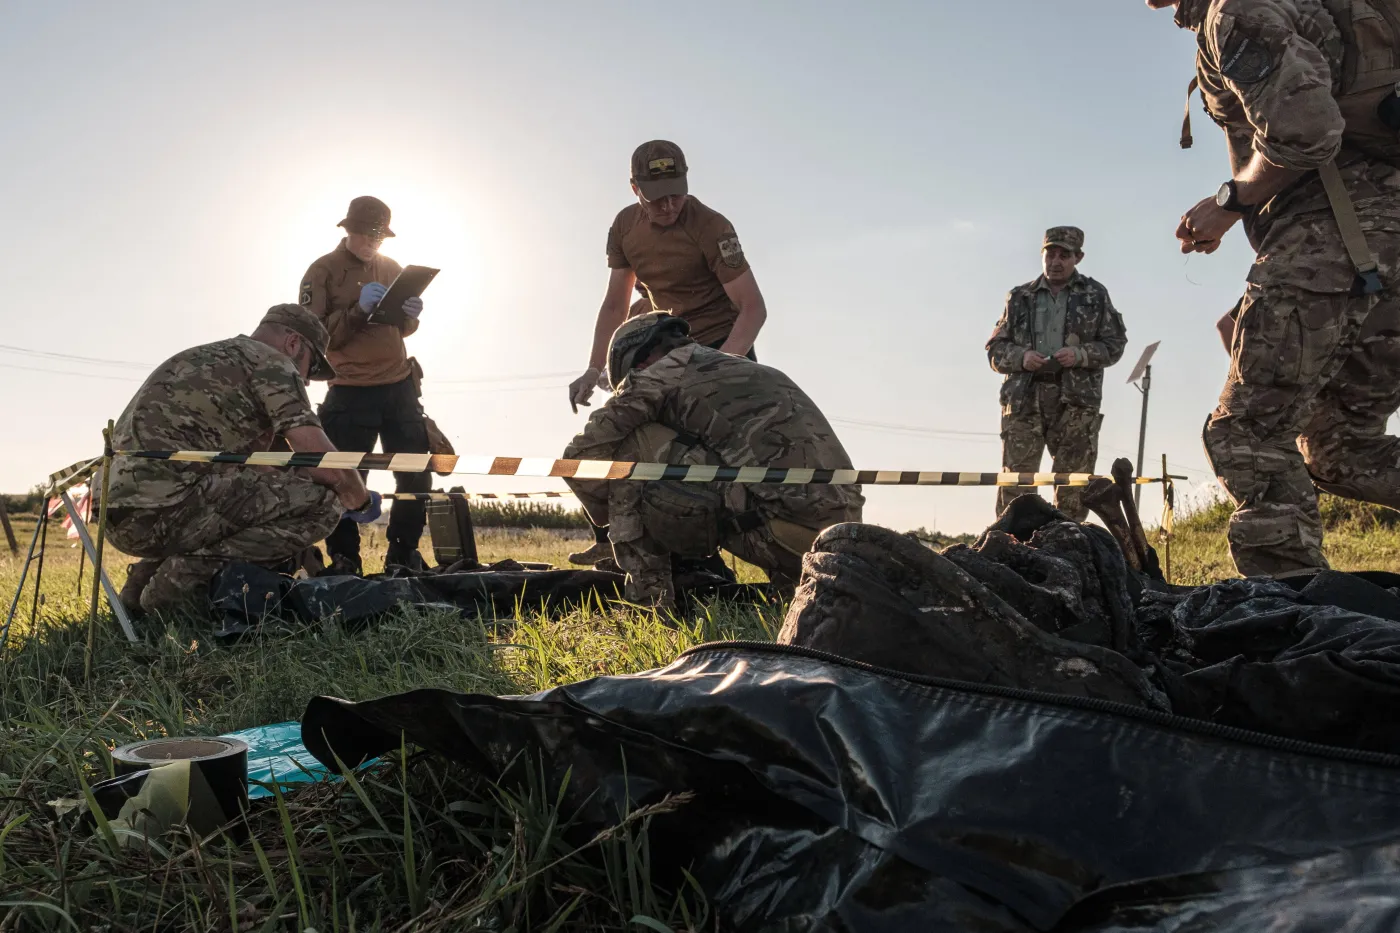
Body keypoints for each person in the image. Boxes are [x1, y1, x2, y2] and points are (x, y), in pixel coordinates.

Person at [1150, 0, 1400, 576]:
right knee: (1343, 448)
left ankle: (1290, 613)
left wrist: (1230, 202)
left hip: (1337, 232)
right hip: (1372, 243)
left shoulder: (1232, 10)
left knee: (1248, 431)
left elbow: (1308, 134)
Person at [563, 312, 863, 608]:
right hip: (842, 544)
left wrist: (610, 517)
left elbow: (579, 457)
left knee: (637, 441)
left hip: (784, 535)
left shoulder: (662, 371)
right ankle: (789, 587)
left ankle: (648, 599)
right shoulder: (735, 366)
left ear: (638, 363)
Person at [566, 140, 771, 566]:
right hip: (668, 349)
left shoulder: (712, 226)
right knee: (621, 436)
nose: (668, 205)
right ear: (634, 188)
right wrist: (592, 366)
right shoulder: (624, 227)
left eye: (676, 192)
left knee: (733, 459)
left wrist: (722, 366)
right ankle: (610, 538)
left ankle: (753, 553)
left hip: (722, 345)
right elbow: (615, 303)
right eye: (656, 197)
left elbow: (752, 308)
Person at [106, 304, 382, 615]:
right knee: (324, 506)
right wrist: (357, 500)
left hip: (121, 514)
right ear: (294, 344)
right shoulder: (273, 362)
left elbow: (261, 471)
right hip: (169, 506)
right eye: (311, 367)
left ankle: (135, 597)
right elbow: (316, 454)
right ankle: (170, 595)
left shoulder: (205, 358)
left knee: (227, 507)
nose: (305, 382)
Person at [299, 195, 430, 574]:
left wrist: (411, 316)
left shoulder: (392, 268)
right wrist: (357, 310)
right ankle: (345, 560)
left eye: (380, 235)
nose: (374, 241)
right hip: (349, 390)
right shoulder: (322, 271)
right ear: (349, 229)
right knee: (342, 476)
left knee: (415, 471)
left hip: (399, 386)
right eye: (368, 233)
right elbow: (314, 336)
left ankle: (403, 554)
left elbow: (402, 329)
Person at [986, 227, 1128, 521]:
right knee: (1017, 486)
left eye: (1065, 255)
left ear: (1078, 257)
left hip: (1075, 404)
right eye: (1050, 254)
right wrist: (1022, 357)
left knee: (1074, 488)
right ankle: (1013, 548)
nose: (1056, 261)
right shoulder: (1019, 297)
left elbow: (1114, 345)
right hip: (1025, 402)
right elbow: (995, 349)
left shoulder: (1095, 295)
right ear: (1043, 255)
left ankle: (1068, 550)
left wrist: (1081, 355)